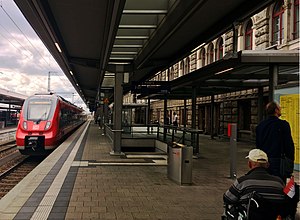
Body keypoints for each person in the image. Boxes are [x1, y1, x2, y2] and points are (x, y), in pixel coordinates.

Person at [223, 149, 287, 219]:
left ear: (249, 164)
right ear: (267, 165)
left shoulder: (243, 181)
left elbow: (227, 198)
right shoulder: (279, 182)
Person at [256, 101, 294, 180]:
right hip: (278, 162)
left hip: (263, 161)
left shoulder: (260, 125)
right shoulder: (283, 124)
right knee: (279, 184)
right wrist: (290, 162)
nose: (280, 109)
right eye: (279, 108)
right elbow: (289, 145)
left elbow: (258, 144)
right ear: (276, 110)